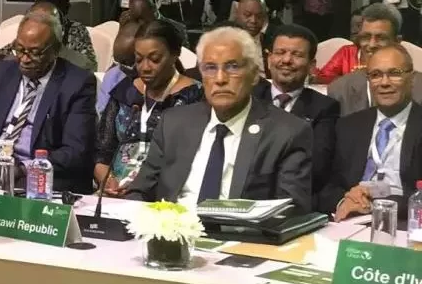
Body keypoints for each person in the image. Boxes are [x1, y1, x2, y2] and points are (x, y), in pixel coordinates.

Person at [127, 26, 313, 213]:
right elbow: (140, 191)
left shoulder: (287, 133)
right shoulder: (174, 123)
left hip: (242, 230)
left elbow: (292, 210)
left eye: (232, 67)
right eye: (210, 68)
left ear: (254, 75)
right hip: (172, 227)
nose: (220, 79)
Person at [0, 10, 96, 194]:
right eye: (19, 49)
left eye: (34, 53)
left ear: (55, 50)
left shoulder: (77, 84)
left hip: (38, 182)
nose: (25, 59)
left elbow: (75, 151)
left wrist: (24, 169)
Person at [95, 20, 204, 197]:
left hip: (165, 196)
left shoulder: (193, 97)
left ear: (175, 54)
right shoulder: (125, 91)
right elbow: (102, 153)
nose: (145, 67)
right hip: (114, 194)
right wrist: (107, 181)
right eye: (138, 59)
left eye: (154, 59)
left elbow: (192, 160)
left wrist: (138, 187)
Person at [319, 44, 422, 220]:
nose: (384, 83)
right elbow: (327, 185)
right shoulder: (347, 126)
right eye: (375, 75)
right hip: (348, 219)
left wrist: (376, 205)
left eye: (394, 73)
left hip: (405, 223)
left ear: (411, 79)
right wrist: (343, 201)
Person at [253, 24, 340, 194]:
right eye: (280, 52)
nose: (286, 60)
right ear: (269, 59)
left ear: (312, 65)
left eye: (297, 55)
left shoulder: (324, 108)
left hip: (295, 194)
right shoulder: (250, 98)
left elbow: (316, 167)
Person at [329, 4, 422, 116]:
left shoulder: (419, 89)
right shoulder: (339, 90)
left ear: (397, 41)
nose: (371, 45)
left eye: (381, 38)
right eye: (366, 37)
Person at [0, 1, 96, 71]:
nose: (25, 59)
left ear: (59, 29)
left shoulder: (79, 67)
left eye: (46, 21)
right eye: (33, 19)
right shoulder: (10, 54)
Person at [97, 21, 141, 114]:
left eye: (126, 63)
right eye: (116, 61)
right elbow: (101, 110)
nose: (120, 68)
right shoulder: (112, 76)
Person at [121, 0, 189, 47]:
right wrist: (121, 30)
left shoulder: (178, 30)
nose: (140, 23)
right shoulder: (131, 26)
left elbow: (185, 57)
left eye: (142, 18)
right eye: (136, 19)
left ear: (154, 9)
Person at [234, 0, 275, 76]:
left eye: (259, 16)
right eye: (247, 15)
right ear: (237, 13)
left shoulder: (273, 42)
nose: (253, 20)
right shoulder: (224, 40)